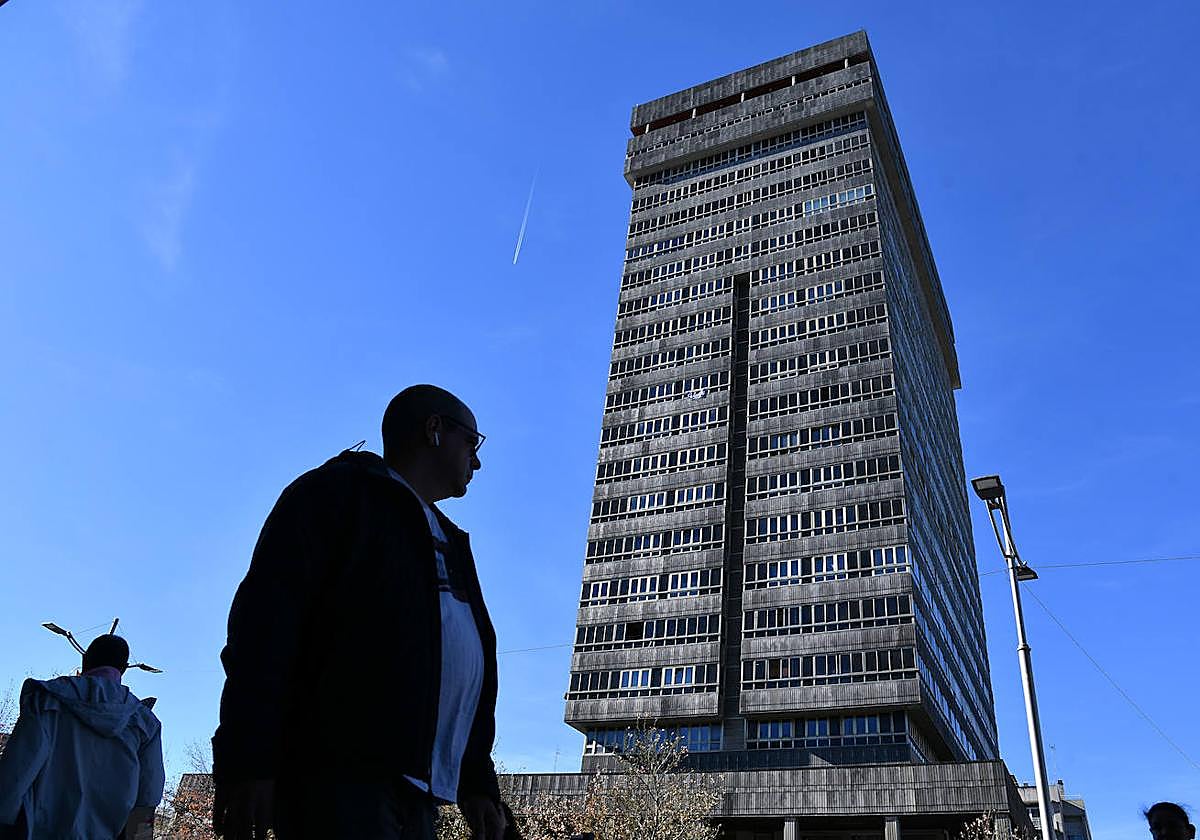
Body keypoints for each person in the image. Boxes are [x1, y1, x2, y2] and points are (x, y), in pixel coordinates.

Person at [212, 385, 507, 840]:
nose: (477, 461)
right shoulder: (335, 495)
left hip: (419, 793)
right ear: (434, 429)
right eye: (472, 442)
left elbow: (463, 665)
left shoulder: (450, 538)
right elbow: (264, 630)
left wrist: (476, 782)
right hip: (338, 778)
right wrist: (248, 757)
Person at [0, 634, 165, 839]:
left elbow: (17, 769)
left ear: (85, 659)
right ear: (123, 669)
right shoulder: (145, 723)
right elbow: (147, 797)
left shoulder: (47, 699)